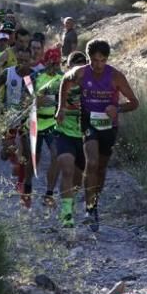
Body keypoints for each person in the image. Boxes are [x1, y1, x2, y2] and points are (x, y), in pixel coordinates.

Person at [56, 39, 139, 232]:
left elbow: (135, 102)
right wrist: (61, 108)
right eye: (94, 60)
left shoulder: (116, 76)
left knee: (100, 168)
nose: (98, 65)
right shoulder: (81, 72)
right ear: (89, 59)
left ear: (107, 59)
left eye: (102, 60)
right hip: (88, 122)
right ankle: (89, 209)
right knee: (91, 162)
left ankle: (94, 202)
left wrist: (117, 108)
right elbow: (64, 82)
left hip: (109, 126)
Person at [0, 47, 35, 207]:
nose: (23, 63)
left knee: (25, 150)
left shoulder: (34, 75)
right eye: (21, 60)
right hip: (8, 116)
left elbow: (37, 95)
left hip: (25, 118)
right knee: (7, 150)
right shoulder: (8, 73)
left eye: (26, 60)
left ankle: (21, 182)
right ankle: (10, 158)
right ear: (17, 58)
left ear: (30, 59)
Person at [54, 51, 87, 227]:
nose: (79, 68)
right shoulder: (62, 83)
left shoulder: (91, 85)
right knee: (67, 169)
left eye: (82, 64)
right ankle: (67, 214)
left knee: (77, 179)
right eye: (75, 64)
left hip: (83, 136)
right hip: (64, 133)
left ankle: (69, 202)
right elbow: (42, 94)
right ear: (68, 66)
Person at [33, 48, 63, 208]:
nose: (54, 66)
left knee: (56, 156)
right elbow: (29, 101)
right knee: (33, 160)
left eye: (57, 63)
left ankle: (49, 193)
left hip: (52, 123)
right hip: (36, 123)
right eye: (52, 63)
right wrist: (38, 100)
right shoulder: (37, 77)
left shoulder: (63, 78)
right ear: (46, 62)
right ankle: (25, 187)